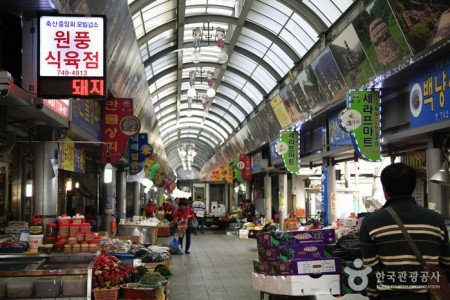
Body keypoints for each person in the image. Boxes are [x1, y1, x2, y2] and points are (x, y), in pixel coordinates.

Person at [360, 163, 450, 300]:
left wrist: (374, 296)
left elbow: (370, 269)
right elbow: (446, 264)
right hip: (427, 296)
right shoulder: (436, 220)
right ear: (413, 187)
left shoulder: (371, 222)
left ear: (385, 190)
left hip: (389, 296)